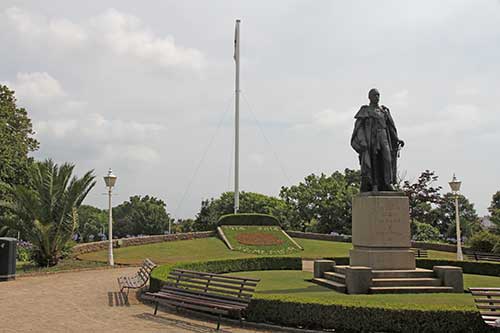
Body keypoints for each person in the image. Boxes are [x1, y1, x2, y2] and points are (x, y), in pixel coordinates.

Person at [350, 88, 404, 192]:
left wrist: (396, 139)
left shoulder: (384, 111)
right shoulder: (365, 111)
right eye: (375, 95)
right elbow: (358, 128)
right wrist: (362, 141)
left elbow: (390, 127)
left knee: (387, 159)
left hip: (383, 137)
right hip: (372, 138)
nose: (377, 98)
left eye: (378, 95)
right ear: (369, 97)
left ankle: (388, 183)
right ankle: (374, 184)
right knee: (373, 160)